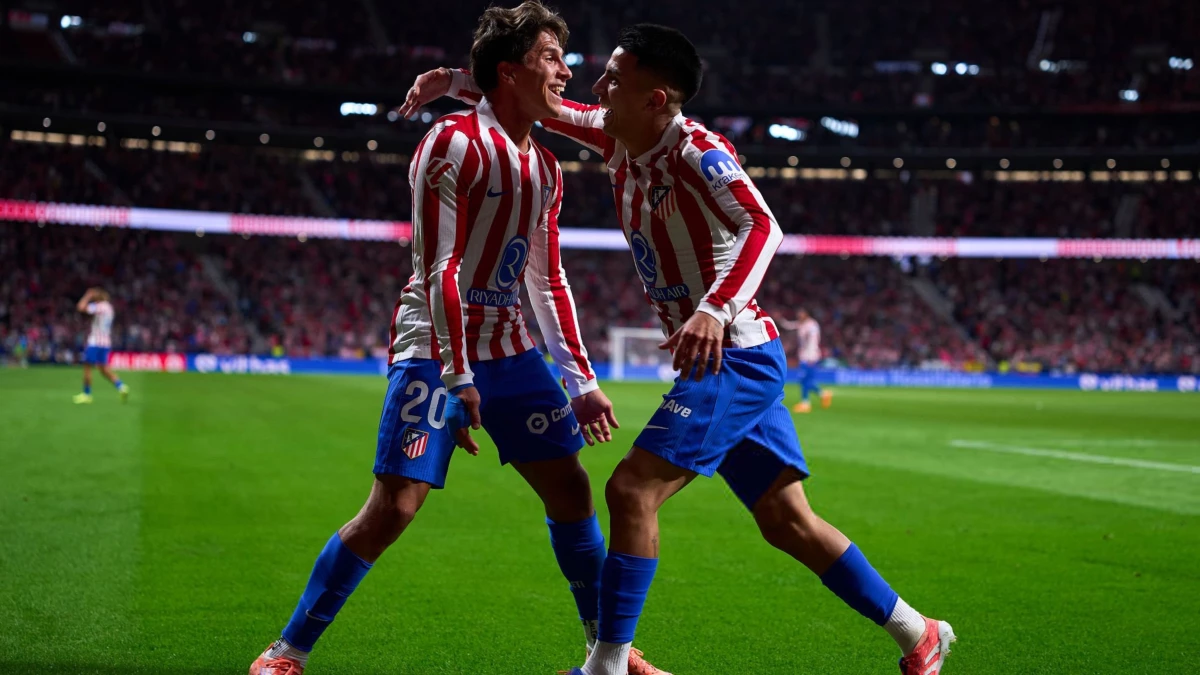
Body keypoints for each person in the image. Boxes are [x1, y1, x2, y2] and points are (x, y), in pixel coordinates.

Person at [401, 22, 955, 675]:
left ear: (656, 99)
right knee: (786, 520)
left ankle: (606, 665)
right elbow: (545, 106)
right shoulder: (620, 138)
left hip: (734, 356)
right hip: (728, 359)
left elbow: (764, 225)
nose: (597, 85)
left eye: (614, 78)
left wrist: (715, 310)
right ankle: (919, 632)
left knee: (631, 490)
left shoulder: (699, 153)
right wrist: (458, 84)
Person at [250, 5, 664, 674]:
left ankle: (607, 653)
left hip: (511, 352)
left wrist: (582, 381)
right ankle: (285, 651)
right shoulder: (453, 143)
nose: (566, 69)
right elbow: (438, 266)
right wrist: (457, 374)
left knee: (572, 489)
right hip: (436, 348)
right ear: (510, 70)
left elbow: (546, 278)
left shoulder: (547, 168)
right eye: (551, 56)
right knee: (395, 505)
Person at [73, 288, 129, 404]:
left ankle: (87, 394)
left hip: (95, 342)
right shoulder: (109, 308)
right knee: (103, 369)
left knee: (87, 367)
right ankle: (121, 386)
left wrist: (87, 296)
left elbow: (80, 307)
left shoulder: (99, 306)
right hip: (106, 342)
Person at [779, 308, 832, 413]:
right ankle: (823, 394)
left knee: (804, 379)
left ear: (807, 314)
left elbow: (813, 341)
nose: (799, 314)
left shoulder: (812, 326)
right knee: (806, 380)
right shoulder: (801, 324)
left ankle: (805, 403)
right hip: (804, 355)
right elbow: (790, 326)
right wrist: (780, 319)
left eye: (801, 312)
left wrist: (810, 357)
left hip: (810, 356)